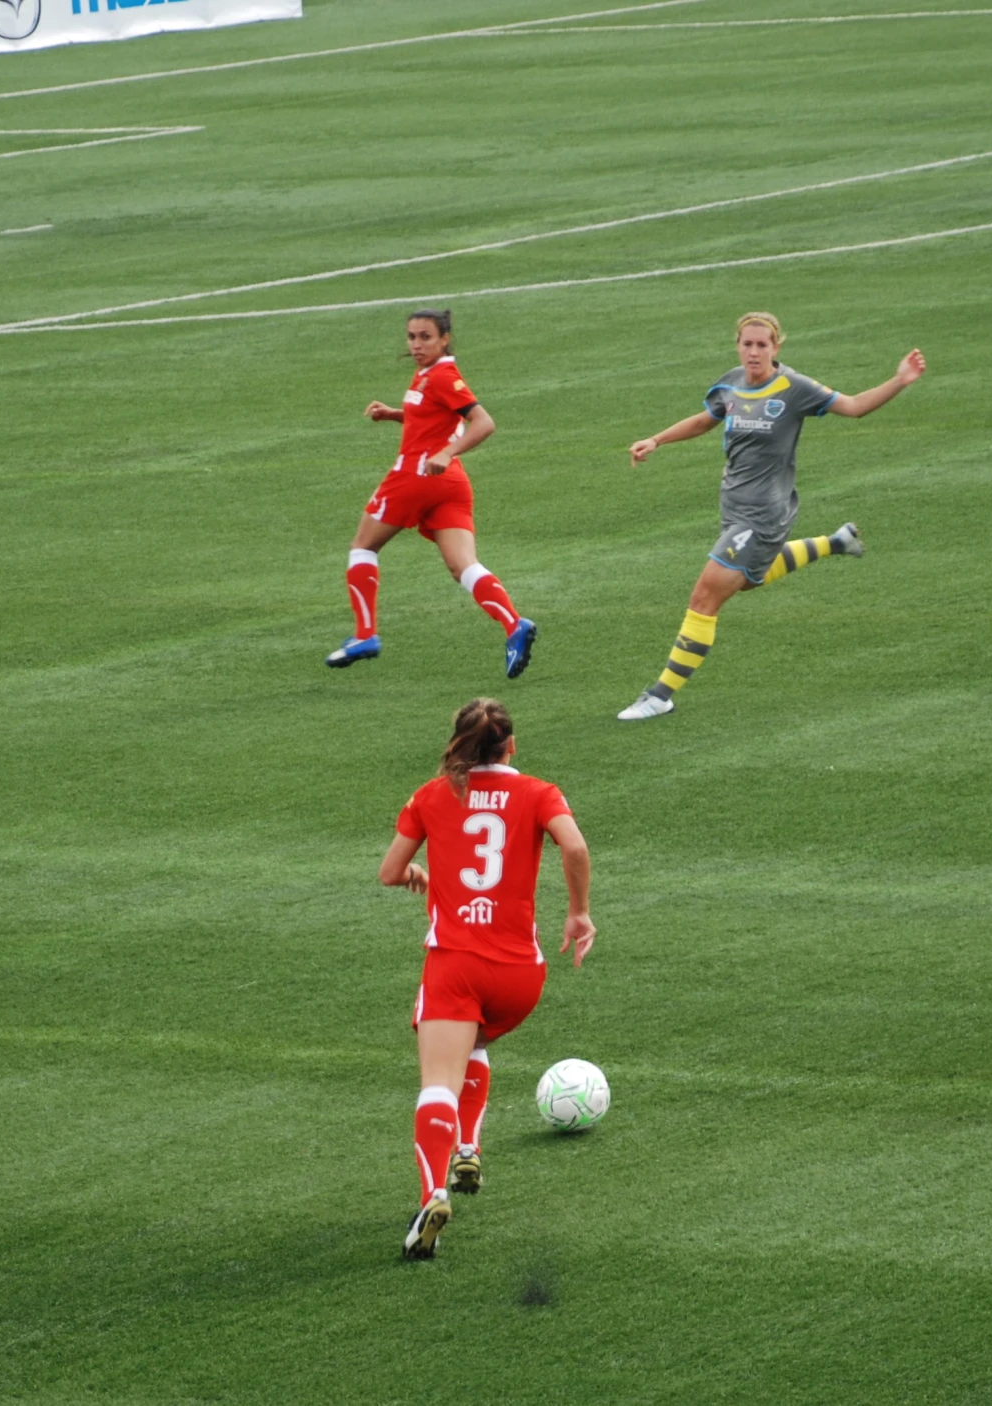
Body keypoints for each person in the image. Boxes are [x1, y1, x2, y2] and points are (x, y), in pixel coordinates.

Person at [614, 313, 923, 721]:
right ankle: (836, 542)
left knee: (705, 597)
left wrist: (899, 380)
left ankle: (660, 694)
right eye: (748, 344)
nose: (754, 352)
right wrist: (657, 439)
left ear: (777, 347)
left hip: (763, 516)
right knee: (741, 583)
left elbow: (853, 406)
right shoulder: (731, 383)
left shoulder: (794, 389)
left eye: (763, 345)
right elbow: (706, 419)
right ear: (738, 346)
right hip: (734, 510)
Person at [379, 698, 593, 1260]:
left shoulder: (431, 795)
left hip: (456, 964)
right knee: (476, 1039)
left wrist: (415, 876)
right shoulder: (540, 793)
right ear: (511, 745)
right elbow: (573, 844)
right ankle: (468, 1146)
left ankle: (433, 1195)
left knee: (436, 1084)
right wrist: (578, 912)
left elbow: (388, 872)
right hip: (521, 973)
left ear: (459, 745)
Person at [329, 310, 540, 679]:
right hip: (449, 486)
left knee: (363, 547)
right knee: (463, 566)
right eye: (411, 337)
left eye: (425, 337)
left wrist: (446, 452)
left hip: (416, 476)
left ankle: (365, 635)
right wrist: (395, 415)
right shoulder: (428, 374)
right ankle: (514, 624)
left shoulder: (443, 375)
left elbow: (483, 422)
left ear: (445, 339)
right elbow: (435, 418)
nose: (416, 345)